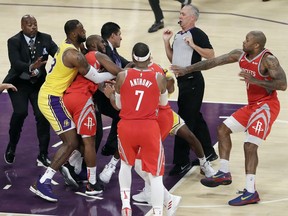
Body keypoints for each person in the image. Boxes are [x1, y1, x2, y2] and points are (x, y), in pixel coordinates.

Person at [171, 30, 287, 206]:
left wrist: (256, 81)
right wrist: (187, 69)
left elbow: (282, 84)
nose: (243, 42)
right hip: (252, 106)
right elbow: (213, 62)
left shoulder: (268, 60)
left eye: (247, 40)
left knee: (249, 145)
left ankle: (250, 192)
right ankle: (224, 173)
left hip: (266, 106)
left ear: (256, 45)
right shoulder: (238, 55)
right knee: (222, 130)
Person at [29, 19, 115, 202]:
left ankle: (70, 166)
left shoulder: (71, 46)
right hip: (51, 98)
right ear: (74, 34)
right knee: (71, 141)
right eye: (81, 29)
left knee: (75, 139)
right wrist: (118, 74)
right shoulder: (73, 55)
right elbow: (97, 76)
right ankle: (43, 181)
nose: (85, 31)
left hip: (57, 97)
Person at [60, 34, 123, 188]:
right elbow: (119, 71)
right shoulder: (96, 54)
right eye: (102, 41)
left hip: (69, 98)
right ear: (94, 44)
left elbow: (98, 82)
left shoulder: (85, 58)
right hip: (81, 99)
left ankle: (72, 164)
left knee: (81, 139)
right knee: (90, 141)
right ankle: (92, 182)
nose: (104, 44)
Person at [163, 4, 218, 176]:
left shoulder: (197, 34)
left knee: (184, 121)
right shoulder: (179, 35)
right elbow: (174, 58)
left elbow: (211, 55)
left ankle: (182, 162)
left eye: (183, 14)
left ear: (192, 18)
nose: (180, 16)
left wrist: (194, 45)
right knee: (195, 117)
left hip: (193, 81)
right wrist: (166, 42)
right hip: (183, 82)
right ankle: (209, 152)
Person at [113, 42, 168, 216]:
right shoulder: (159, 77)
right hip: (148, 127)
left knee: (125, 165)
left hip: (127, 126)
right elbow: (164, 103)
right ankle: (158, 212)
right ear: (150, 56)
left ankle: (126, 206)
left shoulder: (122, 76)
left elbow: (119, 104)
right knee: (156, 174)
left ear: (133, 57)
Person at [3, 14, 58, 167]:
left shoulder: (45, 38)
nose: (33, 26)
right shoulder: (14, 41)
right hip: (18, 83)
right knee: (20, 113)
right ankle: (12, 146)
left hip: (38, 84)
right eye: (29, 24)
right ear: (22, 26)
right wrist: (30, 67)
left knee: (42, 116)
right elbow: (15, 63)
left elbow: (58, 54)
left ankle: (43, 154)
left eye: (35, 23)